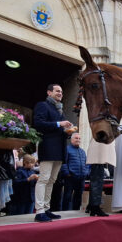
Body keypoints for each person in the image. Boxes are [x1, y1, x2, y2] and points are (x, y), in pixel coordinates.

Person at [33, 84, 72, 222]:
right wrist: (58, 124)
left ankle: (46, 208)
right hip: (48, 147)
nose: (60, 93)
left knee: (52, 180)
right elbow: (38, 123)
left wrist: (67, 132)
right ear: (49, 92)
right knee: (44, 179)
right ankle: (39, 211)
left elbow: (60, 130)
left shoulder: (60, 109)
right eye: (57, 91)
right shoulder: (43, 105)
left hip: (60, 150)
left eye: (61, 91)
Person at [86, 139, 116, 217]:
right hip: (98, 153)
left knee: (96, 181)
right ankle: (95, 207)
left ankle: (92, 206)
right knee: (97, 182)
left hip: (98, 153)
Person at [61, 133, 89, 211]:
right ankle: (65, 213)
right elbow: (64, 163)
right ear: (72, 139)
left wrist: (85, 172)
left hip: (81, 178)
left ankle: (76, 212)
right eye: (76, 138)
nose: (78, 140)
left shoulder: (82, 151)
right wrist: (67, 173)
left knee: (78, 197)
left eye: (79, 138)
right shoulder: (67, 149)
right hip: (70, 177)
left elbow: (86, 164)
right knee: (67, 196)